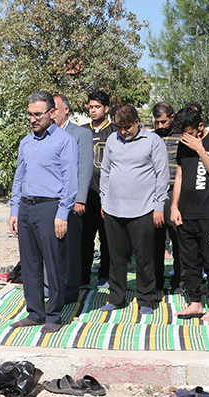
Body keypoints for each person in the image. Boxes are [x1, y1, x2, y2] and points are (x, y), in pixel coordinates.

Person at [8, 91, 78, 333]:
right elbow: (20, 177)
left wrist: (63, 213)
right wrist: (14, 209)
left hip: (50, 207)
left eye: (37, 114)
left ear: (51, 113)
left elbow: (70, 180)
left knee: (54, 262)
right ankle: (35, 312)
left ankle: (54, 315)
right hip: (26, 207)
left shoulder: (64, 141)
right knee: (29, 263)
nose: (32, 119)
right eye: (30, 114)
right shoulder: (26, 142)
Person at [98, 105, 170, 314]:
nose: (123, 132)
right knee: (116, 257)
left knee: (144, 257)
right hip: (113, 208)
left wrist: (158, 207)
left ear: (138, 122)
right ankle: (117, 298)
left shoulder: (153, 141)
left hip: (143, 209)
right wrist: (104, 200)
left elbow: (162, 176)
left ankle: (146, 300)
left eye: (127, 127)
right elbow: (105, 171)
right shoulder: (112, 140)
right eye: (119, 127)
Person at [171, 107, 209, 322]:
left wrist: (200, 149)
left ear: (200, 127)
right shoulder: (183, 145)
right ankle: (194, 302)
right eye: (181, 134)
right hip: (186, 214)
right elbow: (180, 175)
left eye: (188, 133)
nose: (184, 137)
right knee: (190, 262)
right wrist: (174, 206)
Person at [53, 93, 93, 303]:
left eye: (55, 109)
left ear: (66, 110)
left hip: (72, 201)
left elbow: (85, 168)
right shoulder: (46, 133)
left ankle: (70, 291)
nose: (52, 114)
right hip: (50, 200)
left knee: (71, 248)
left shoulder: (80, 134)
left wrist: (80, 199)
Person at [80, 90, 117, 288]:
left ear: (106, 108)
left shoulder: (114, 131)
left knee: (107, 238)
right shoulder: (82, 130)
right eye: (91, 107)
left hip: (107, 195)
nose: (93, 111)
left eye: (97, 107)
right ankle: (82, 276)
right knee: (84, 238)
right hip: (86, 194)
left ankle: (105, 275)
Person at [152, 101, 183, 291]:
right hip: (154, 194)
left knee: (178, 239)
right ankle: (156, 281)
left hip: (175, 193)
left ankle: (179, 280)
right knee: (154, 241)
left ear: (172, 117)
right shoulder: (151, 137)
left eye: (163, 122)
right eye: (157, 122)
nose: (160, 126)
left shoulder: (182, 136)